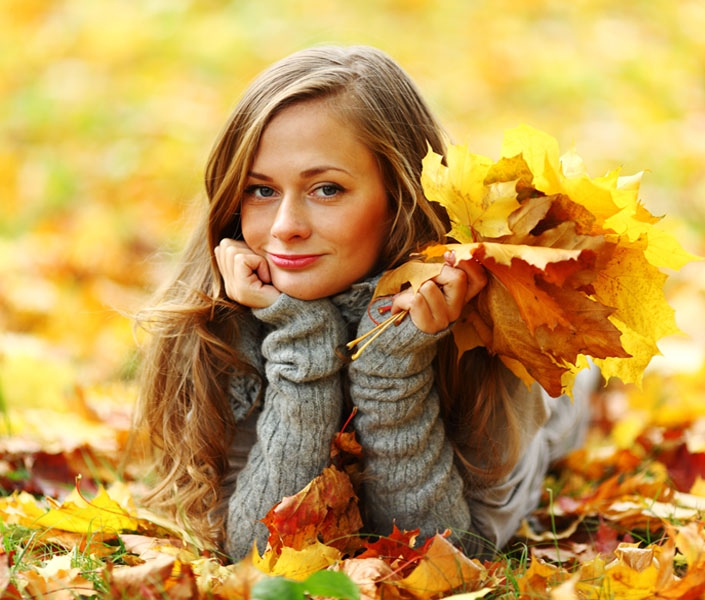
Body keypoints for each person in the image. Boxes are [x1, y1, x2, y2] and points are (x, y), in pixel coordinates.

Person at [133, 44, 592, 561]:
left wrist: (394, 378)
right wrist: (301, 346)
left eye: (326, 189)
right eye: (261, 191)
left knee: (573, 394)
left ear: (399, 197)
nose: (285, 228)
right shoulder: (217, 324)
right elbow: (257, 552)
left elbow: (452, 554)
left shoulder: (487, 328)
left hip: (550, 408)